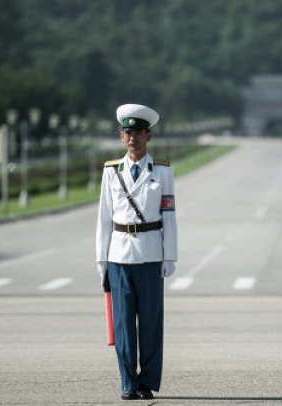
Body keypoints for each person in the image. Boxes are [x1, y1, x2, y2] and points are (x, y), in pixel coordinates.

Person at [95, 103, 178, 401]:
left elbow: (169, 215)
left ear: (149, 137)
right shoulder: (110, 172)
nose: (134, 139)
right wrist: (101, 259)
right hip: (119, 255)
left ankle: (148, 382)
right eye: (129, 133)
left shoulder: (163, 171)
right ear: (121, 137)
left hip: (152, 253)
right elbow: (104, 218)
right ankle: (128, 382)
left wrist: (170, 256)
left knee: (151, 324)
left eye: (140, 133)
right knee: (123, 323)